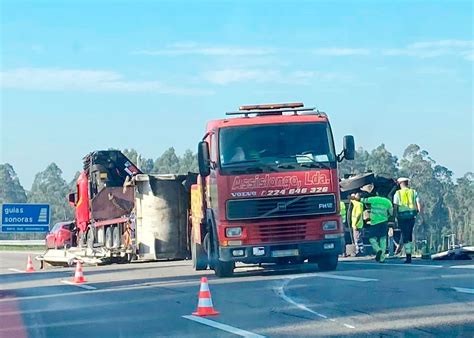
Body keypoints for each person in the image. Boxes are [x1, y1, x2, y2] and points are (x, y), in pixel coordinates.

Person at [361, 184, 393, 263]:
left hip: (374, 222)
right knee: (383, 239)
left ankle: (377, 249)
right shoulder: (388, 202)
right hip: (384, 222)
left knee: (372, 238)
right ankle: (382, 258)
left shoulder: (373, 199)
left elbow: (363, 200)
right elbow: (391, 213)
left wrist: (357, 196)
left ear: (377, 193)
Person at [393, 177, 421, 264]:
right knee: (409, 235)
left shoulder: (398, 193)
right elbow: (418, 204)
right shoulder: (413, 192)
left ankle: (408, 256)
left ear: (400, 184)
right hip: (411, 216)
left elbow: (395, 206)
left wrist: (394, 216)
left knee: (405, 236)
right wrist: (419, 214)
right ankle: (408, 255)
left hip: (402, 217)